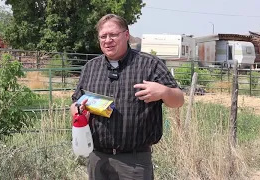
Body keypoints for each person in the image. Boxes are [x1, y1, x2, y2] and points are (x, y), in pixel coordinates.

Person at [70, 14, 184, 180]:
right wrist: (78, 112)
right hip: (97, 158)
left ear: (126, 35)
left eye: (113, 35)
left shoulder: (149, 64)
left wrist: (164, 92)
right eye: (103, 36)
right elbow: (75, 103)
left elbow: (179, 100)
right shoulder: (90, 68)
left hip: (134, 162)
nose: (108, 40)